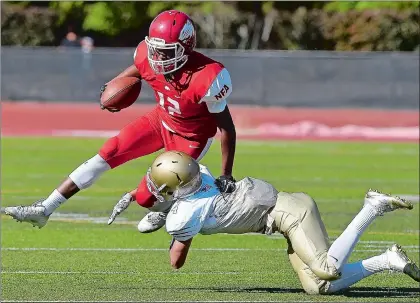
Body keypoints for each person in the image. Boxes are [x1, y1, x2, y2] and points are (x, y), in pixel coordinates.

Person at [3, 10, 237, 233]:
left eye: (166, 51)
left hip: (191, 137)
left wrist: (226, 174)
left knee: (147, 198)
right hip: (160, 120)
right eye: (155, 49)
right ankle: (45, 207)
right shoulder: (148, 57)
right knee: (109, 151)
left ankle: (172, 203)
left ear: (186, 48)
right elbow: (137, 70)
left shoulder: (207, 76)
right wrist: (113, 88)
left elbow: (226, 127)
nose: (158, 57)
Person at [110, 151, 419, 295]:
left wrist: (164, 218)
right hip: (280, 218)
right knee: (319, 287)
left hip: (292, 213)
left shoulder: (185, 216)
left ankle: (372, 207)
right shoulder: (198, 171)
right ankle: (387, 260)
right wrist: (154, 206)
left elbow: (176, 260)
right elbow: (178, 191)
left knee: (328, 268)